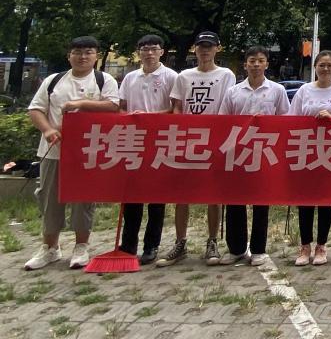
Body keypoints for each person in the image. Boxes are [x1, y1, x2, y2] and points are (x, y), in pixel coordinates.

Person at [24, 36, 120, 270]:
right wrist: (47, 130)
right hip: (53, 151)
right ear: (69, 56)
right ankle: (50, 247)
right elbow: (36, 109)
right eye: (77, 52)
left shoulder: (104, 80)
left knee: (83, 200)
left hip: (87, 152)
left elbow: (113, 106)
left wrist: (80, 104)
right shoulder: (54, 80)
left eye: (88, 52)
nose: (82, 56)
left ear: (96, 56)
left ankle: (81, 246)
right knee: (49, 199)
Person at [158, 30, 236, 267]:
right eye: (201, 46)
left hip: (214, 139)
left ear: (217, 49)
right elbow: (177, 106)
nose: (205, 50)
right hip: (188, 139)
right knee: (182, 193)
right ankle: (180, 242)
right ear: (195, 49)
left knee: (214, 194)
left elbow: (227, 105)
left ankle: (212, 241)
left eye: (209, 46)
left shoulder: (226, 75)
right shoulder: (184, 76)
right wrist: (182, 128)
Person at [219, 45, 289, 267]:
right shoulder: (233, 92)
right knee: (235, 201)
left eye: (260, 60)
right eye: (252, 61)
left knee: (261, 202)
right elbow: (223, 120)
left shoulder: (277, 90)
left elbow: (286, 120)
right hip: (237, 153)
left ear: (266, 64)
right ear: (245, 64)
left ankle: (259, 249)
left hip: (264, 152)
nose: (256, 65)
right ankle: (236, 249)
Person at [289, 50, 331, 266]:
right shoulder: (304, 90)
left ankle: (321, 245)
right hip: (306, 150)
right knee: (305, 199)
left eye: (329, 65)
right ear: (315, 67)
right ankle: (305, 245)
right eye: (321, 65)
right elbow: (292, 118)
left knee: (326, 199)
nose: (325, 69)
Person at [118, 34, 176, 264]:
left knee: (156, 197)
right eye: (145, 49)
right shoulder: (130, 77)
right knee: (131, 196)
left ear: (162, 52)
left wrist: (149, 117)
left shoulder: (171, 77)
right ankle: (128, 244)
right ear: (139, 52)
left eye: (154, 49)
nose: (149, 53)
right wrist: (129, 117)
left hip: (160, 142)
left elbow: (175, 110)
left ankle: (151, 245)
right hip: (133, 142)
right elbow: (121, 107)